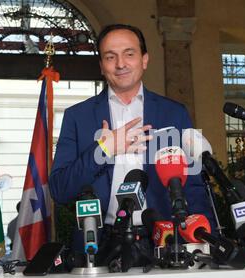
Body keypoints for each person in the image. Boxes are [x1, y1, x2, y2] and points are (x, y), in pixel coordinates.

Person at [49, 24, 215, 265]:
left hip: (165, 240)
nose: (120, 64)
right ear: (101, 66)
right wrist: (104, 150)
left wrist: (206, 242)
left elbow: (194, 187)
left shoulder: (174, 113)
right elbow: (60, 190)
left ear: (144, 60)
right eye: (110, 56)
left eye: (129, 54)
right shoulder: (77, 117)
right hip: (98, 244)